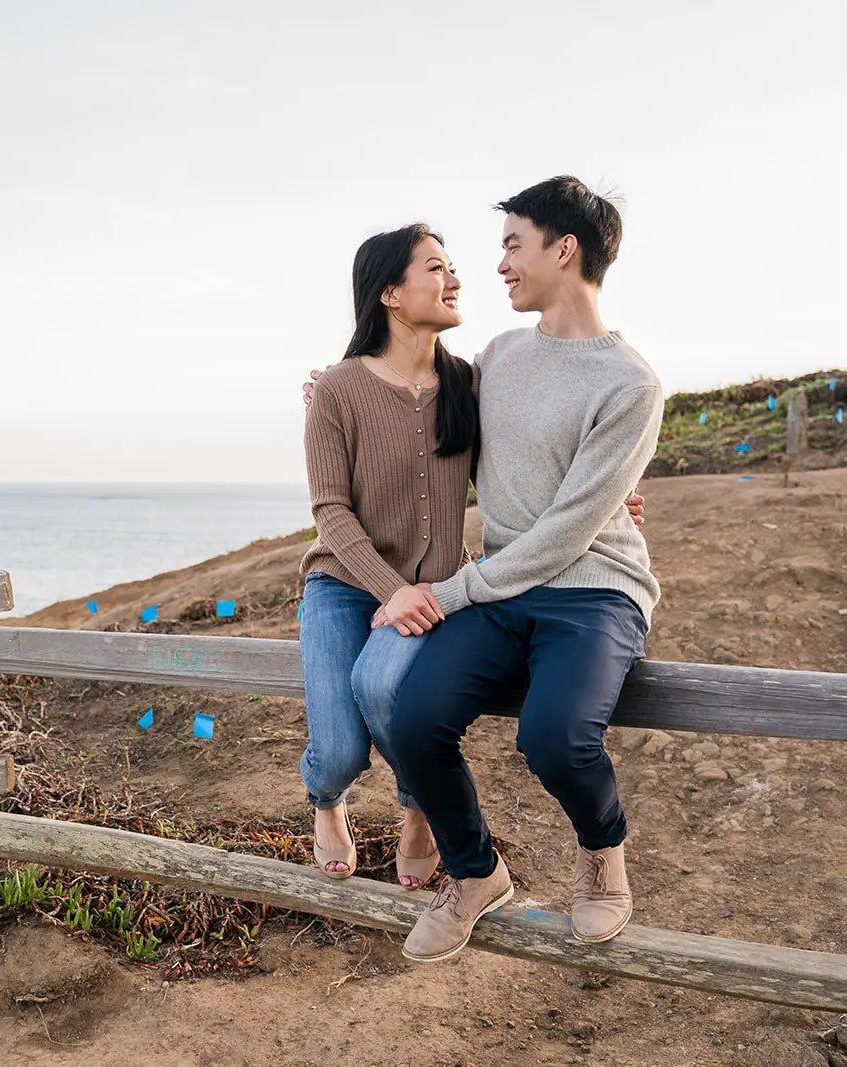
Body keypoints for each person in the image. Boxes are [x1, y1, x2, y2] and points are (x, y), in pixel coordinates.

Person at [355, 176, 663, 962]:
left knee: (555, 737)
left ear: (564, 250)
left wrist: (450, 591)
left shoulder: (631, 384)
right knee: (411, 719)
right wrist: (340, 386)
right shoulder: (497, 355)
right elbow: (417, 402)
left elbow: (566, 534)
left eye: (512, 245)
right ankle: (476, 872)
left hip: (594, 594)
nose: (498, 266)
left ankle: (602, 853)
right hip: (505, 589)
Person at [298, 218, 647, 890]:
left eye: (453, 266)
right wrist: (388, 588)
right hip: (344, 583)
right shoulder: (338, 389)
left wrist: (617, 495)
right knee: (339, 749)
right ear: (390, 294)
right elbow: (330, 513)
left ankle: (418, 808)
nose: (457, 278)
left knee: (383, 685)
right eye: (436, 267)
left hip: (435, 585)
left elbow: (538, 450)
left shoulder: (470, 382)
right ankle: (327, 799)